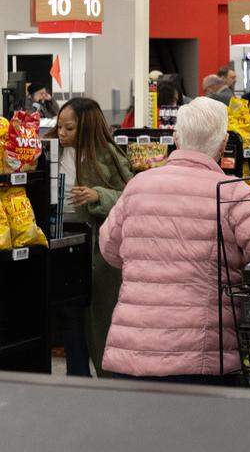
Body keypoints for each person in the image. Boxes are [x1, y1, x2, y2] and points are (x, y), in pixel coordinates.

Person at [99, 97, 250, 384]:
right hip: (199, 358)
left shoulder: (138, 185)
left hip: (132, 353)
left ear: (175, 139)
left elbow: (110, 251)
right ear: (224, 143)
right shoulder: (232, 192)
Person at [50, 98, 134, 377]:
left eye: (69, 128)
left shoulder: (107, 154)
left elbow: (131, 197)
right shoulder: (48, 151)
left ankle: (107, 379)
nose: (61, 133)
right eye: (59, 126)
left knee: (100, 319)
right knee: (69, 317)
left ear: (85, 127)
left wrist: (99, 195)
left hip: (99, 250)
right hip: (61, 247)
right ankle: (78, 379)